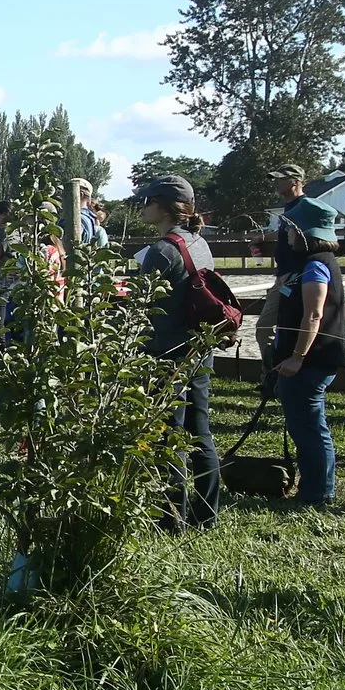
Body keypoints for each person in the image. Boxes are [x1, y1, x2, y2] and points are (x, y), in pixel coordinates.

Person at [135, 177, 220, 529]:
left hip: (166, 350)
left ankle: (172, 518)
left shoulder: (162, 251)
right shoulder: (199, 243)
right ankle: (206, 513)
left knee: (169, 435)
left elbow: (141, 303)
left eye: (147, 200)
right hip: (199, 347)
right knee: (200, 430)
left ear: (164, 206)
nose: (142, 207)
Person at [267, 195, 345, 507]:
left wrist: (297, 357)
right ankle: (316, 486)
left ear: (305, 234)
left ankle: (317, 491)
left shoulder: (316, 266)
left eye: (290, 230)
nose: (286, 236)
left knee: (310, 426)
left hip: (310, 361)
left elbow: (313, 314)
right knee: (306, 424)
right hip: (303, 360)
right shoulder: (313, 264)